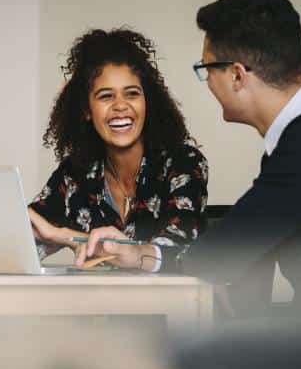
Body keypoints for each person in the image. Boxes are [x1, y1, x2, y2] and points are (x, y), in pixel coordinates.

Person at [79, 0, 301, 320]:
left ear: (236, 75)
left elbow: (225, 251)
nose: (209, 84)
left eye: (206, 70)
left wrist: (138, 255)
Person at [28, 28, 208, 268]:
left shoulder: (183, 163)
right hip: (99, 304)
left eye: (132, 94)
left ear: (147, 102)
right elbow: (23, 241)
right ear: (86, 111)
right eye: (105, 96)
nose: (120, 106)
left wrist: (62, 236)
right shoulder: (76, 174)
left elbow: (176, 251)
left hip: (172, 304)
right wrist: (57, 236)